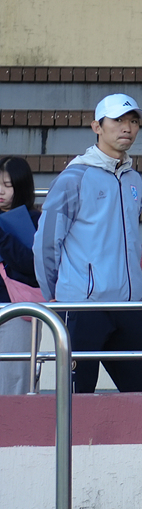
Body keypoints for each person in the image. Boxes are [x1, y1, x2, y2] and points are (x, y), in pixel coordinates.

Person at [34, 93, 142, 394]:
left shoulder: (134, 180)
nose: (127, 127)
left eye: (133, 121)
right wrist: (59, 297)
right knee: (75, 401)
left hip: (130, 306)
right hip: (83, 307)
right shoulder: (74, 178)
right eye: (118, 120)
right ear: (97, 127)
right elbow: (46, 244)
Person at [0, 156, 41, 395]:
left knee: (15, 381)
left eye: (7, 185)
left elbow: (32, 266)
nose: (1, 191)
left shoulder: (34, 220)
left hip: (17, 311)